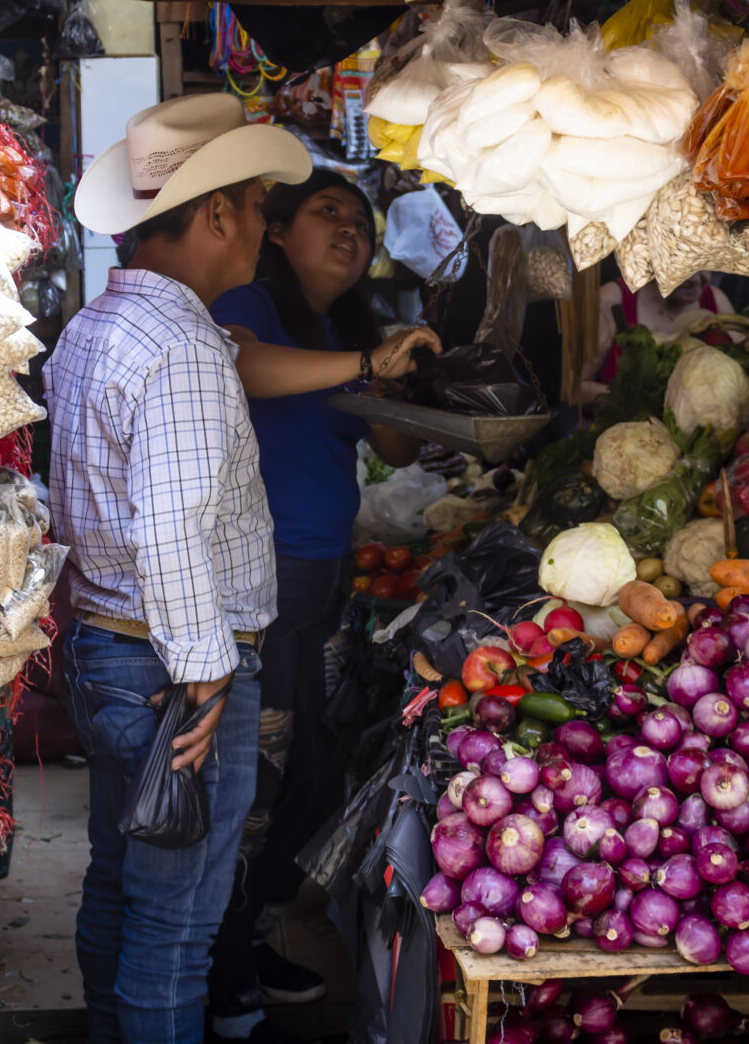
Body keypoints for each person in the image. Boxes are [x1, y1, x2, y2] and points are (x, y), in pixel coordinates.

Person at [45, 93, 312, 1044]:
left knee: (121, 883)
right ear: (217, 215)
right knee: (176, 924)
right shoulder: (186, 349)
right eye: (258, 208)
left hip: (108, 651)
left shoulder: (96, 327)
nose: (265, 230)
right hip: (174, 670)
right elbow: (170, 531)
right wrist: (206, 678)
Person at [202, 171, 440, 1042]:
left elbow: (396, 445)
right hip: (258, 582)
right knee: (259, 783)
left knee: (310, 779)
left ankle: (252, 933)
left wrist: (410, 376)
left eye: (360, 225)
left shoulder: (347, 331)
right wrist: (366, 365)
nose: (349, 233)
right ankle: (223, 972)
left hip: (321, 580)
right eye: (327, 214)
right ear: (278, 232)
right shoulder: (250, 305)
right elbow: (241, 366)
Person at [579, 270, 734, 405]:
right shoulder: (612, 299)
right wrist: (638, 401)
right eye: (681, 265)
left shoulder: (716, 301)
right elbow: (575, 389)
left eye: (703, 264)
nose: (694, 279)